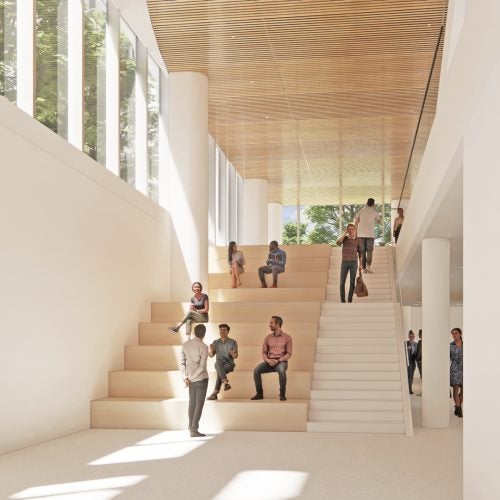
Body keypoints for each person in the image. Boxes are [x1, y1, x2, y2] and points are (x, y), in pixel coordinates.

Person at [251, 316, 292, 401]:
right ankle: (259, 394)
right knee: (256, 370)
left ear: (278, 324)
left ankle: (282, 394)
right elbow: (264, 352)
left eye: (271, 323)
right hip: (269, 361)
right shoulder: (267, 338)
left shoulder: (287, 337)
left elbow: (289, 354)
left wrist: (278, 361)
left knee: (281, 370)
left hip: (281, 362)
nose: (269, 325)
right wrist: (267, 360)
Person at [179, 324, 209, 437]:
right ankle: (194, 429)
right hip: (201, 379)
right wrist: (191, 378)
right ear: (204, 334)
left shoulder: (185, 345)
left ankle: (190, 426)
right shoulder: (204, 346)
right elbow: (202, 367)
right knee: (199, 404)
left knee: (192, 403)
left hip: (190, 379)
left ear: (194, 332)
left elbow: (182, 363)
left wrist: (185, 377)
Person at [206, 323, 239, 400]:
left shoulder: (233, 342)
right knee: (218, 365)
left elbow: (236, 356)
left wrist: (233, 353)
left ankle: (215, 392)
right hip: (219, 364)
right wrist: (211, 350)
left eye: (224, 330)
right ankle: (224, 384)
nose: (222, 332)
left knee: (219, 371)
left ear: (228, 332)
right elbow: (211, 355)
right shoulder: (215, 342)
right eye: (221, 330)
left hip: (229, 364)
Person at [354, 198, 381, 273]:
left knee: (362, 251)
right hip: (370, 235)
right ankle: (368, 266)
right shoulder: (375, 212)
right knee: (369, 251)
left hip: (360, 234)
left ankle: (363, 268)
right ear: (373, 204)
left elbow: (356, 222)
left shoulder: (360, 211)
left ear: (366, 203)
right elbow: (379, 220)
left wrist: (355, 233)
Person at [336, 223, 362, 303]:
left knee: (352, 282)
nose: (351, 231)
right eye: (349, 229)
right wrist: (344, 233)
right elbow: (338, 243)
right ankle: (343, 300)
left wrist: (360, 265)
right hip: (345, 262)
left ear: (355, 230)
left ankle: (350, 300)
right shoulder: (345, 238)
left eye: (352, 229)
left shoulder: (358, 240)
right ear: (347, 230)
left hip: (354, 263)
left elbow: (360, 253)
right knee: (342, 282)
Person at [450, 327, 463, 418]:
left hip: (465, 369)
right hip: (454, 369)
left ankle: (457, 407)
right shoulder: (450, 345)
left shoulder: (466, 344)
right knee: (456, 388)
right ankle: (459, 409)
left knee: (464, 390)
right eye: (453, 334)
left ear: (460, 334)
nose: (454, 335)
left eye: (456, 333)